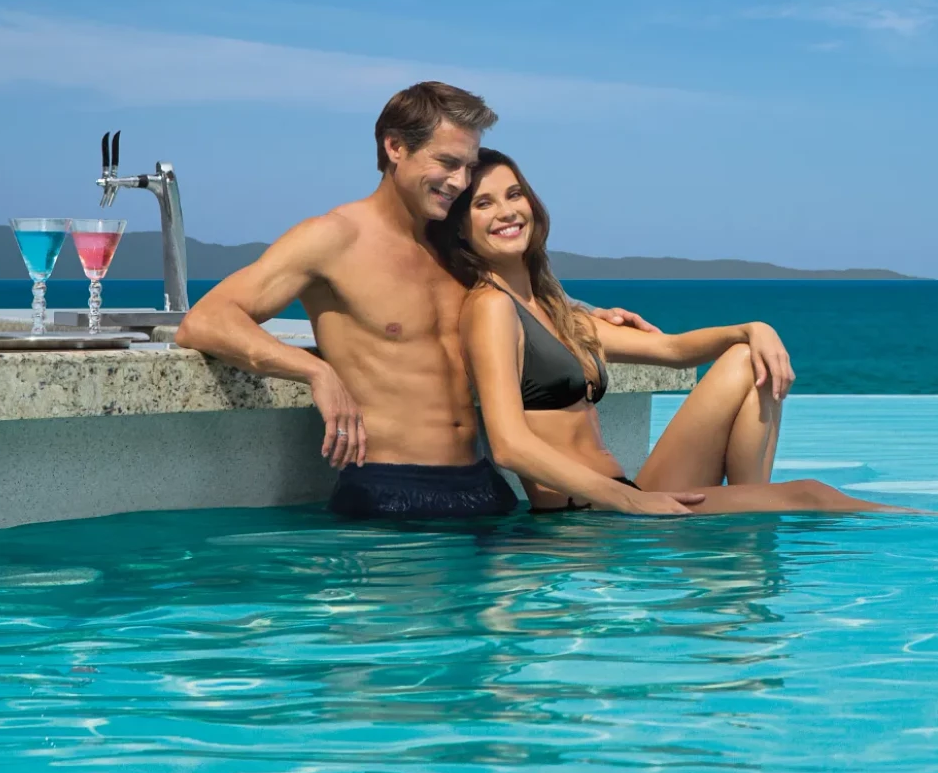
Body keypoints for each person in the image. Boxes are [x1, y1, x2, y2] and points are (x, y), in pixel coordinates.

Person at [438, 149, 938, 521]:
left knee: (743, 359)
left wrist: (753, 325)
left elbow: (677, 349)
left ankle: (743, 515)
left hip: (623, 495)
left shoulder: (555, 309)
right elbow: (507, 441)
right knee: (814, 495)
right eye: (484, 203)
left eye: (513, 193)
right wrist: (631, 500)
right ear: (463, 228)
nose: (507, 211)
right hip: (588, 522)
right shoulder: (490, 308)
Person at [174, 81, 674, 519]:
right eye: (446, 162)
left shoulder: (452, 246)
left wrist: (580, 314)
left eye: (468, 166)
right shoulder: (332, 238)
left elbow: (514, 301)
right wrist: (315, 372)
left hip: (484, 489)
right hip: (390, 493)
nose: (458, 181)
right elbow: (206, 320)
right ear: (395, 147)